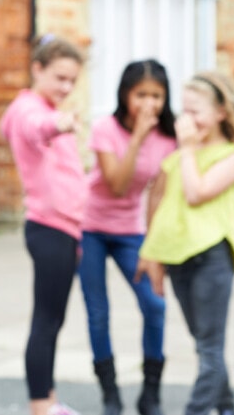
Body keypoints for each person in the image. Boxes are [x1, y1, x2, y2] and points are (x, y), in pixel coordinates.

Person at [136, 73, 234, 415]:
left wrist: (188, 150)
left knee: (208, 348)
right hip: (178, 259)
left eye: (197, 111)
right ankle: (227, 408)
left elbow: (196, 194)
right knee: (206, 346)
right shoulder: (179, 158)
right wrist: (151, 256)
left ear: (221, 112)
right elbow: (163, 208)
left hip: (211, 258)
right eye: (184, 111)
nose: (188, 121)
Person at [78, 59, 177, 415]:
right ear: (125, 95)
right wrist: (136, 137)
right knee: (98, 312)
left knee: (155, 305)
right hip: (88, 228)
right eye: (141, 95)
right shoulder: (105, 128)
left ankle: (150, 393)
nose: (149, 103)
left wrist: (156, 248)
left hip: (129, 232)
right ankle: (110, 395)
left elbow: (160, 195)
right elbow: (118, 186)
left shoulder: (169, 138)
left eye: (157, 95)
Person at [0, 34, 87, 415]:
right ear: (38, 69)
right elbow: (37, 127)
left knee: (53, 319)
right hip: (49, 227)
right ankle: (41, 405)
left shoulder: (43, 106)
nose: (66, 88)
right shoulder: (29, 111)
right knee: (46, 320)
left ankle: (48, 401)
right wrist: (60, 123)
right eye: (60, 78)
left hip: (66, 229)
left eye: (72, 81)